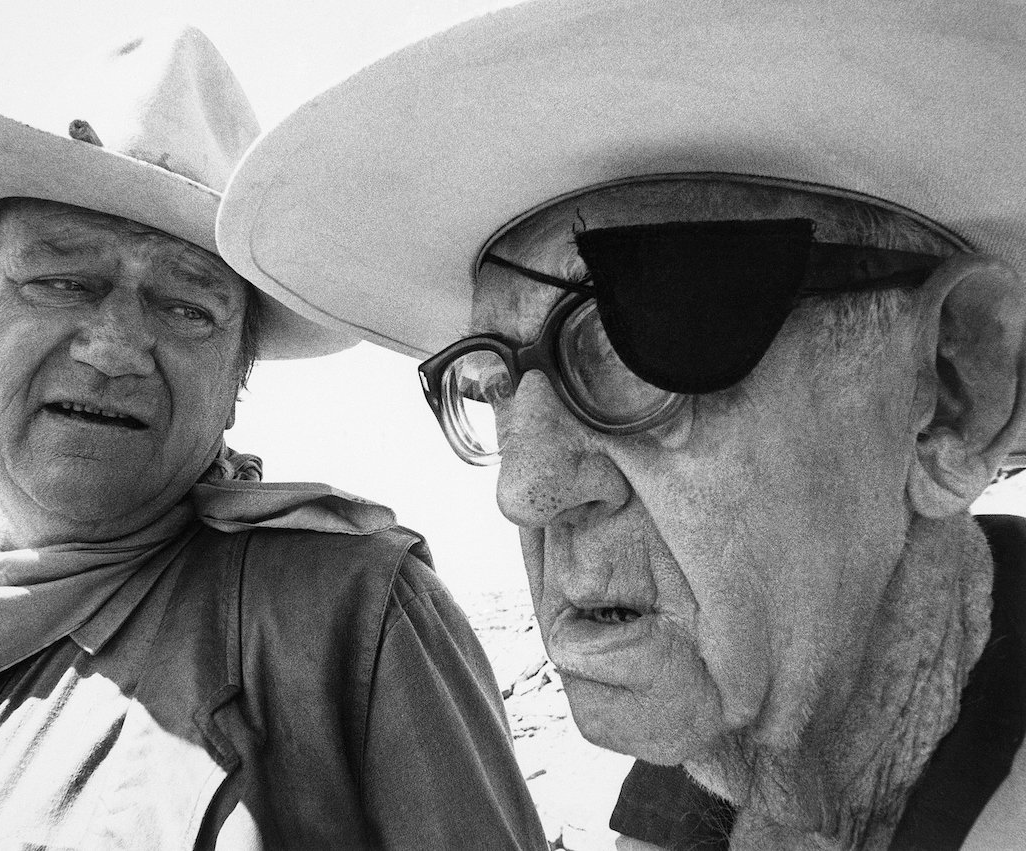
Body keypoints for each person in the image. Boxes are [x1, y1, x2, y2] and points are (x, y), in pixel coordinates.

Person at [215, 0, 1026, 847]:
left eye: (628, 348)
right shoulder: (699, 751)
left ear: (950, 389)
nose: (523, 491)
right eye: (494, 385)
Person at [0, 25, 546, 850]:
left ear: (238, 379)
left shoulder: (353, 626)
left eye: (186, 307)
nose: (117, 346)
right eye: (64, 280)